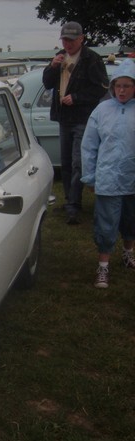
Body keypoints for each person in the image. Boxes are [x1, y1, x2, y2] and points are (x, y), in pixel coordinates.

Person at [42, 21, 108, 225]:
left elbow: (101, 88)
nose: (68, 43)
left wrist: (76, 97)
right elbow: (47, 83)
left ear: (81, 39)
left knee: (78, 162)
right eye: (65, 39)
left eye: (71, 40)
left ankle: (73, 204)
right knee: (67, 162)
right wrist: (53, 67)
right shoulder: (60, 57)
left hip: (82, 118)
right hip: (64, 118)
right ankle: (71, 200)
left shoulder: (92, 59)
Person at [81, 58, 135, 288]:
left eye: (127, 86)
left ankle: (128, 253)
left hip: (132, 178)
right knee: (106, 223)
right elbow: (89, 145)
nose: (121, 91)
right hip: (108, 177)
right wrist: (90, 176)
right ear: (112, 87)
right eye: (118, 86)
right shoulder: (102, 110)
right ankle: (103, 266)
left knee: (131, 220)